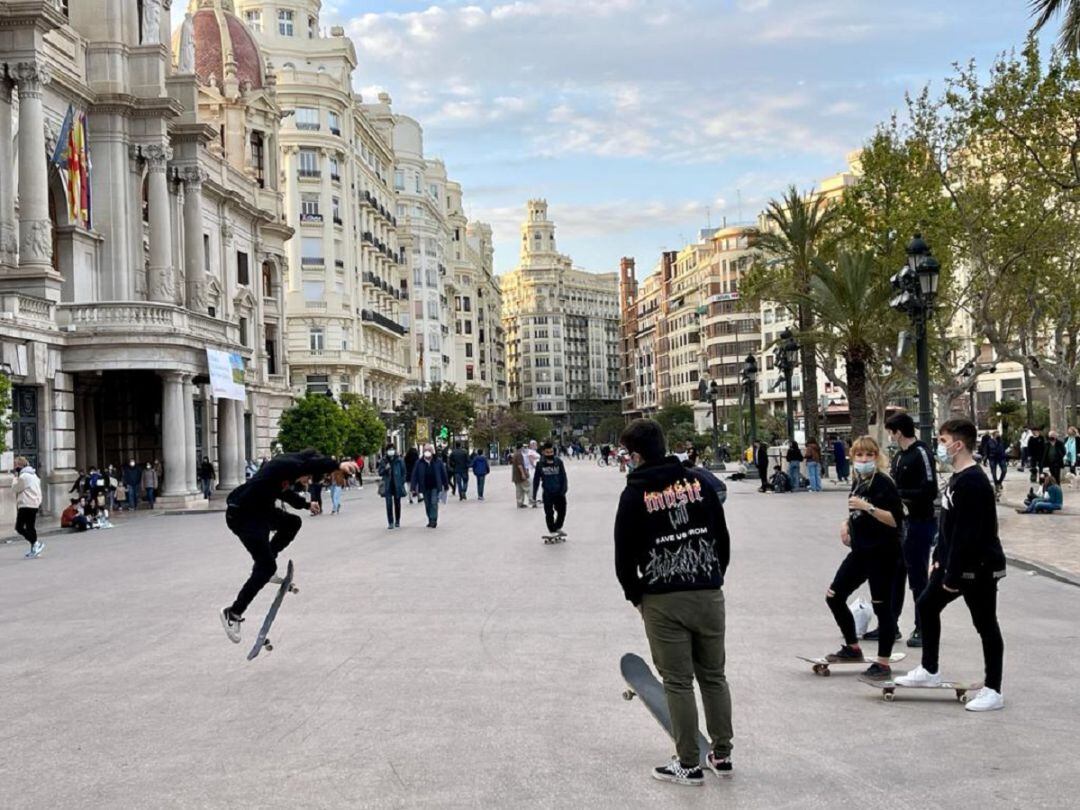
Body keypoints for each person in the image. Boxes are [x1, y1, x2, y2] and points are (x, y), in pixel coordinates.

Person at [614, 419, 732, 786]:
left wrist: (636, 596)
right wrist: (713, 577)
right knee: (713, 676)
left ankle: (689, 763)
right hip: (708, 592)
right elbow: (721, 538)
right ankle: (723, 754)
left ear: (635, 455)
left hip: (663, 598)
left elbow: (623, 555)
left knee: (677, 682)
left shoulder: (634, 494)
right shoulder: (700, 483)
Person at [895, 419, 1006, 712]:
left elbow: (967, 535)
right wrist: (937, 560)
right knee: (927, 605)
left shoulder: (973, 481)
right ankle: (929, 671)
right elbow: (948, 528)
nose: (939, 448)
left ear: (958, 445)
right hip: (954, 565)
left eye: (943, 442)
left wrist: (952, 575)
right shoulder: (957, 478)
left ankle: (993, 690)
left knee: (986, 625)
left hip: (979, 568)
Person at [219, 450, 358, 642]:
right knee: (266, 567)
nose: (306, 481)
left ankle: (267, 562)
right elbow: (307, 466)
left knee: (292, 523)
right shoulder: (288, 465)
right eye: (307, 478)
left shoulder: (287, 471)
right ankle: (233, 613)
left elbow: (284, 493)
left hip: (260, 512)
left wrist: (306, 505)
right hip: (243, 516)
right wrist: (336, 465)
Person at [824, 436, 904, 680]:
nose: (864, 459)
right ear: (853, 457)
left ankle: (883, 663)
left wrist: (867, 507)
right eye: (859, 455)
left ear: (877, 456)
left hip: (883, 554)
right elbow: (856, 512)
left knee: (883, 608)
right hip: (860, 552)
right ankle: (852, 647)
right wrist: (846, 524)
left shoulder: (883, 483)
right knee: (834, 597)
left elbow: (895, 520)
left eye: (869, 455)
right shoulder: (859, 482)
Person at [878, 412, 938, 648]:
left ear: (898, 432)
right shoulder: (900, 457)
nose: (890, 437)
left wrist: (901, 496)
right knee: (895, 575)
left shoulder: (921, 453)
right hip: (901, 524)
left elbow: (930, 488)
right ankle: (890, 626)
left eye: (891, 432)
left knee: (918, 577)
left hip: (919, 522)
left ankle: (923, 627)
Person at [532, 441, 569, 538]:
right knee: (549, 513)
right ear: (543, 453)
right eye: (547, 452)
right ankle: (552, 530)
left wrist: (564, 490)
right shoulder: (540, 464)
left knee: (562, 511)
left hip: (559, 492)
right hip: (548, 493)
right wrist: (534, 495)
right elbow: (536, 480)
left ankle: (557, 527)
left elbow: (563, 476)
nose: (550, 454)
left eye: (551, 452)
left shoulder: (558, 462)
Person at [410, 444, 449, 528]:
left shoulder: (438, 461)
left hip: (435, 485)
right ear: (423, 452)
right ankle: (430, 519)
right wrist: (413, 487)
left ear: (432, 452)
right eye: (425, 450)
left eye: (429, 450)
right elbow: (414, 475)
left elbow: (443, 473)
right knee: (427, 504)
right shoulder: (419, 462)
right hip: (424, 486)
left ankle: (433, 520)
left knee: (434, 502)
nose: (427, 452)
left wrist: (445, 484)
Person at [12, 456, 44, 558]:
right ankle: (34, 549)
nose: (15, 467)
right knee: (30, 527)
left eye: (15, 465)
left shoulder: (23, 476)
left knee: (19, 527)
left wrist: (15, 478)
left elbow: (15, 488)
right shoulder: (34, 475)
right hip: (34, 504)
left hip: (26, 504)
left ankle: (36, 543)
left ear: (20, 465)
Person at [378, 445, 407, 528]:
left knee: (397, 503)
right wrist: (385, 469)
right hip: (388, 485)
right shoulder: (384, 461)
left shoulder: (399, 460)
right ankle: (390, 522)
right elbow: (380, 472)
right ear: (386, 451)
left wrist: (401, 482)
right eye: (389, 450)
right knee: (389, 504)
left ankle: (397, 520)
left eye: (392, 449)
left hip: (397, 484)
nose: (391, 451)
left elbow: (404, 472)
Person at [511, 443, 530, 508]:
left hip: (516, 476)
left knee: (519, 490)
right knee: (528, 488)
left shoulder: (515, 454)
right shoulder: (519, 454)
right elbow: (520, 465)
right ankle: (532, 501)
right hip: (520, 475)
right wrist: (523, 474)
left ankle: (520, 503)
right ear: (521, 448)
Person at [524, 440, 540, 506]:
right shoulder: (530, 452)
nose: (535, 445)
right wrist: (535, 466)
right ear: (530, 445)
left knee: (537, 484)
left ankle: (536, 498)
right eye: (533, 444)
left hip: (536, 469)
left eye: (535, 444)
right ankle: (533, 499)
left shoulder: (534, 452)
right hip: (533, 470)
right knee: (533, 484)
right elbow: (531, 460)